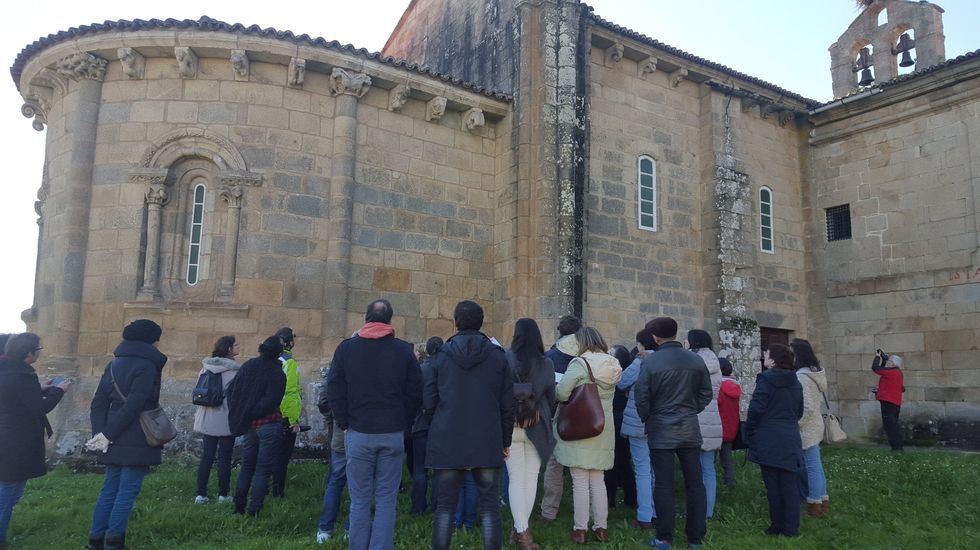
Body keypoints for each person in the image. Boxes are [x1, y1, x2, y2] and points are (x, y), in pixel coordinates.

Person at [326, 299, 422, 550]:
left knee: (359, 500)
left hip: (358, 432)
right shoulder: (403, 351)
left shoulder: (346, 349)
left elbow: (335, 389)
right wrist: (404, 422)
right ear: (390, 321)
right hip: (391, 433)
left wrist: (344, 422)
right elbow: (415, 393)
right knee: (386, 499)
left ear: (366, 318)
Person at [424, 300, 513, 550]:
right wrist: (505, 441)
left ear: (455, 322)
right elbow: (507, 405)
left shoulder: (441, 356)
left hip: (449, 438)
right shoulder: (498, 357)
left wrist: (439, 428)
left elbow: (429, 401)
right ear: (481, 322)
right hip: (486, 439)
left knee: (444, 509)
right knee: (489, 508)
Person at [86, 320, 167, 550]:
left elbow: (98, 404)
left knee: (109, 488)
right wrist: (107, 435)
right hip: (136, 432)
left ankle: (95, 540)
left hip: (112, 430)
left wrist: (100, 434)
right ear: (152, 340)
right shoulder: (147, 365)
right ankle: (114, 541)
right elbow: (135, 405)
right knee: (127, 490)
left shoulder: (113, 364)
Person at [635, 317, 712, 550]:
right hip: (688, 427)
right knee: (695, 483)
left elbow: (642, 397)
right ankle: (695, 537)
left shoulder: (650, 362)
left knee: (664, 484)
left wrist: (650, 416)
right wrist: (689, 410)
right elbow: (706, 394)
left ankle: (665, 536)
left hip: (662, 428)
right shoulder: (695, 360)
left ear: (656, 338)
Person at [553, 327, 623, 545]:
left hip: (580, 426)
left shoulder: (580, 364)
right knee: (598, 480)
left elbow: (562, 393)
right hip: (603, 427)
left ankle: (580, 529)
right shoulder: (613, 364)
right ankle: (601, 527)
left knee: (580, 482)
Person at [0, 333, 69, 550]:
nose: (39, 353)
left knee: (10, 489)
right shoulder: (22, 376)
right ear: (28, 354)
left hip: (6, 436)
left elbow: (13, 396)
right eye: (37, 350)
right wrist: (59, 391)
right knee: (9, 492)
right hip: (16, 440)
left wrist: (38, 389)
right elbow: (38, 409)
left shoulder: (7, 371)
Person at [504, 319, 556, 550]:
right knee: (530, 478)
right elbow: (552, 398)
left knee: (516, 479)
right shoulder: (546, 363)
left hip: (510, 423)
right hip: (537, 423)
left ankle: (520, 530)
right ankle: (523, 534)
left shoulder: (505, 358)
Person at [746, 345, 804, 538]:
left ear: (774, 360)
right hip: (790, 435)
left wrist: (750, 428)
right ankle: (791, 528)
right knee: (789, 484)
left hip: (768, 435)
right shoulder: (795, 381)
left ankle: (777, 526)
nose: (764, 358)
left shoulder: (766, 380)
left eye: (767, 356)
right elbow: (799, 410)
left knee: (773, 485)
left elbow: (756, 408)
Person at [227, 336, 286, 516]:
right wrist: (253, 412)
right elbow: (272, 400)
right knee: (262, 469)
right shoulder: (277, 373)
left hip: (250, 424)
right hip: (268, 423)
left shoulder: (249, 366)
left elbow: (232, 391)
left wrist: (244, 412)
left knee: (248, 465)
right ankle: (254, 509)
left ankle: (239, 506)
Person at [539, 314, 581, 522]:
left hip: (557, 413)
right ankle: (585, 513)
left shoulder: (550, 357)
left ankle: (549, 511)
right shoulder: (587, 355)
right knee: (581, 466)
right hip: (583, 414)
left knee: (555, 464)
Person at [617, 330, 659, 530]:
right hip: (660, 422)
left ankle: (644, 515)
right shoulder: (664, 360)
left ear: (641, 344)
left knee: (642, 468)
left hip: (638, 421)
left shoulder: (640, 362)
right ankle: (656, 510)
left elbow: (622, 382)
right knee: (656, 469)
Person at [192, 335, 241, 505]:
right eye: (236, 345)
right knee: (225, 458)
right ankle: (223, 494)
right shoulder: (234, 371)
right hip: (226, 418)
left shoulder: (205, 368)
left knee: (207, 456)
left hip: (206, 417)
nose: (238, 347)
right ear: (229, 349)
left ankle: (200, 494)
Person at [791, 338, 829, 517]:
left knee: (812, 467)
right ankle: (822, 500)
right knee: (816, 466)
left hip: (807, 426)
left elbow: (806, 407)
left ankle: (815, 504)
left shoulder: (802, 378)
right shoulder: (814, 374)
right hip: (815, 424)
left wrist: (795, 424)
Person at [688, 329, 722, 520]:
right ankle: (708, 510)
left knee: (694, 469)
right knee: (708, 468)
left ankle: (696, 509)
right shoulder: (714, 361)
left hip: (696, 416)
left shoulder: (694, 362)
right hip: (713, 418)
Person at [316, 361, 349, 544]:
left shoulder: (336, 371)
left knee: (335, 481)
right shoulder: (368, 372)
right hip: (360, 434)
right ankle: (351, 530)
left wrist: (333, 419)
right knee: (358, 486)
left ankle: (325, 530)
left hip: (339, 434)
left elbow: (324, 400)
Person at [410, 337, 443, 515]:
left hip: (421, 423)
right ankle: (437, 506)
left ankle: (417, 507)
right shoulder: (446, 370)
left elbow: (413, 396)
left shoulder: (420, 370)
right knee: (438, 469)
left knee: (419, 468)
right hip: (440, 424)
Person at [605, 345, 636, 513]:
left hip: (616, 419)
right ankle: (630, 497)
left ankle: (612, 498)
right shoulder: (626, 376)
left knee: (615, 461)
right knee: (622, 460)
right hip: (621, 419)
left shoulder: (616, 377)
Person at [272, 327, 301, 498]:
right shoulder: (289, 361)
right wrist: (292, 419)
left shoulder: (271, 358)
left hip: (268, 413)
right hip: (283, 415)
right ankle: (278, 492)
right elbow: (289, 391)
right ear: (289, 342)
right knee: (282, 457)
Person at [872, 350, 904, 451]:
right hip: (894, 403)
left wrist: (877, 357)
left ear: (893, 363)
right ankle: (897, 447)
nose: (888, 363)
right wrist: (884, 359)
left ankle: (896, 448)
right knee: (893, 426)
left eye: (889, 361)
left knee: (890, 427)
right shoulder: (897, 372)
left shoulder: (892, 372)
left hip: (889, 403)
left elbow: (876, 368)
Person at [716, 357, 742, 487]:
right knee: (727, 458)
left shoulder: (719, 387)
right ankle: (730, 482)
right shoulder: (735, 386)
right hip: (731, 428)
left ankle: (711, 481)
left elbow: (717, 403)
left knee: (709, 458)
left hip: (718, 426)